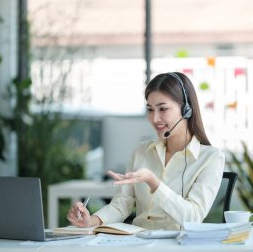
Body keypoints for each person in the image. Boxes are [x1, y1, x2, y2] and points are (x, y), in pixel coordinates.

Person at [67, 72, 225, 230]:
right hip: (139, 242)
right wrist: (91, 221)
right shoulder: (142, 151)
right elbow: (121, 205)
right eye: (150, 109)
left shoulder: (211, 158)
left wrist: (154, 183)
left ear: (186, 110)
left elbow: (193, 217)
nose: (155, 118)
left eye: (163, 109)